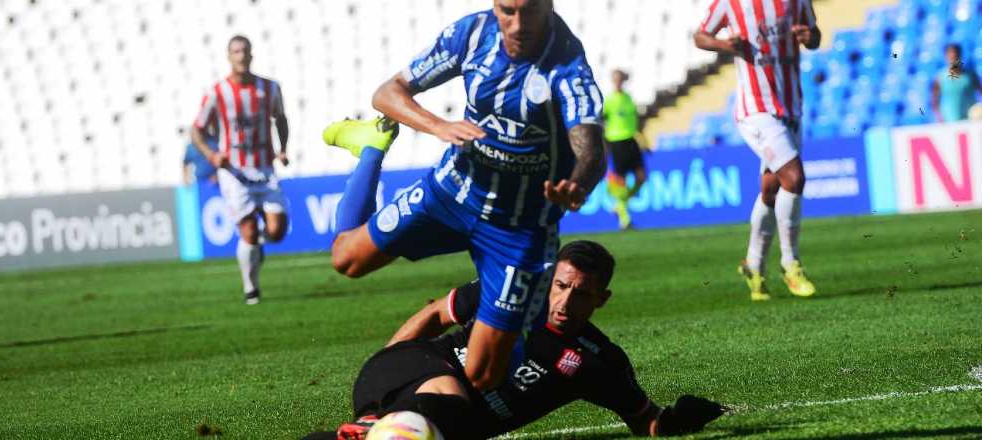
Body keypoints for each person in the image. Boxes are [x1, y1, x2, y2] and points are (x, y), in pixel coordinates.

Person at [323, 0, 607, 392]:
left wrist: (578, 183)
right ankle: (373, 146)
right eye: (508, 10)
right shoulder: (472, 35)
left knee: (483, 376)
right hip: (451, 192)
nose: (518, 23)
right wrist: (437, 125)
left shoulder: (568, 67)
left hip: (518, 229)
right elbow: (388, 92)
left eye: (530, 11)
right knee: (346, 259)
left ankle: (504, 338)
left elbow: (591, 150)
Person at [303, 241, 725, 440]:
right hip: (410, 371)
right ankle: (376, 426)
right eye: (560, 286)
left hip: (448, 423)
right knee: (450, 396)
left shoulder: (600, 362)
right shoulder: (514, 294)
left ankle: (365, 430)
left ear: (602, 299)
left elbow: (645, 421)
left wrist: (679, 421)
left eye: (580, 294)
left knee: (445, 422)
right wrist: (388, 358)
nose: (564, 300)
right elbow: (435, 314)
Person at [694, 0, 819, 301]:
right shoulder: (731, 3)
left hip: (791, 107)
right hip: (756, 110)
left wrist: (808, 36)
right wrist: (726, 44)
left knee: (771, 191)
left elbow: (814, 37)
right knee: (794, 178)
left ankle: (753, 266)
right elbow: (700, 36)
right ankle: (791, 263)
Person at [191, 35, 290, 305]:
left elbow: (280, 118)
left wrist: (283, 148)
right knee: (247, 230)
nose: (241, 55)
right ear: (228, 56)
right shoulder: (217, 92)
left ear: (252, 54)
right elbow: (196, 130)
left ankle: (257, 248)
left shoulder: (269, 88)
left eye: (245, 50)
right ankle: (251, 290)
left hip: (264, 169)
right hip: (234, 172)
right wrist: (212, 154)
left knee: (278, 231)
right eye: (236, 51)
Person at [602, 69, 647, 230]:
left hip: (631, 140)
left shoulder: (629, 98)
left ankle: (620, 205)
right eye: (616, 80)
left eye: (621, 79)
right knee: (620, 180)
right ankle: (624, 218)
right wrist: (604, 144)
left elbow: (636, 121)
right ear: (613, 81)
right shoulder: (609, 100)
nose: (619, 82)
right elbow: (601, 120)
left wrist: (644, 141)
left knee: (641, 177)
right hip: (616, 141)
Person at [932, 44, 982, 123]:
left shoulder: (971, 75)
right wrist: (940, 118)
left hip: (970, 120)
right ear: (946, 57)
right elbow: (934, 102)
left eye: (956, 56)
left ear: (960, 56)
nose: (953, 58)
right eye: (950, 56)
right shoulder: (940, 78)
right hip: (950, 121)